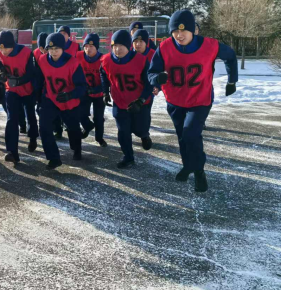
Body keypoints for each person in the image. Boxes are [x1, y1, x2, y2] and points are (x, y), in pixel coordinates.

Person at [148, 10, 238, 192]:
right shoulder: (164, 47)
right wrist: (157, 78)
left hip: (199, 100)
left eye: (183, 31)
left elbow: (230, 56)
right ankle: (188, 165)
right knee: (183, 137)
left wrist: (232, 81)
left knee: (190, 134)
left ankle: (199, 171)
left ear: (193, 30)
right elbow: (151, 72)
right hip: (175, 101)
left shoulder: (210, 45)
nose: (179, 35)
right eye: (175, 31)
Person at [100, 30, 154, 169]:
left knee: (139, 129)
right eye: (114, 46)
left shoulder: (141, 60)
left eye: (121, 46)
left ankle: (144, 135)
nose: (117, 49)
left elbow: (149, 83)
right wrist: (105, 92)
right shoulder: (106, 60)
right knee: (123, 131)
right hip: (120, 102)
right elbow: (104, 75)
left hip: (139, 102)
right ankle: (128, 157)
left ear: (129, 46)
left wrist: (141, 100)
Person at [36, 33, 87, 169]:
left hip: (69, 101)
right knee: (44, 127)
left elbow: (82, 87)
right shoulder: (42, 60)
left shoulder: (73, 63)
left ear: (63, 48)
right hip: (50, 99)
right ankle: (53, 158)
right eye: (50, 49)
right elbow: (39, 81)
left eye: (56, 48)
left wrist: (70, 95)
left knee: (73, 128)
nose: (53, 51)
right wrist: (38, 100)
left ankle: (76, 149)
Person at [0, 31, 39, 163]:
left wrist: (19, 81)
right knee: (11, 119)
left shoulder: (26, 53)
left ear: (12, 45)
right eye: (0, 48)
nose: (3, 51)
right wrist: (1, 73)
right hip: (11, 90)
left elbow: (31, 73)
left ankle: (33, 138)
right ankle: (12, 152)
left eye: (5, 48)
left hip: (27, 90)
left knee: (30, 115)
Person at [76, 34, 107, 147]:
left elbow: (107, 80)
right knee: (80, 113)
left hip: (99, 93)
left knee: (98, 118)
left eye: (91, 46)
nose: (88, 49)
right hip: (85, 91)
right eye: (86, 46)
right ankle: (88, 126)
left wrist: (98, 89)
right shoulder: (78, 56)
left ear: (97, 47)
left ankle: (99, 138)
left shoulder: (103, 59)